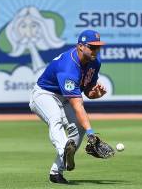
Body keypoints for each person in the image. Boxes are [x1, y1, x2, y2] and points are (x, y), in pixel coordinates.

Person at [29, 29, 107, 184]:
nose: (95, 50)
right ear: (80, 46)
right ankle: (64, 150)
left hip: (64, 97)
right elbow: (77, 104)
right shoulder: (68, 66)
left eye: (98, 46)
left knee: (79, 127)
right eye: (92, 46)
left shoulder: (94, 62)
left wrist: (95, 94)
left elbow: (87, 91)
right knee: (55, 118)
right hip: (44, 94)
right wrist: (92, 134)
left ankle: (56, 172)